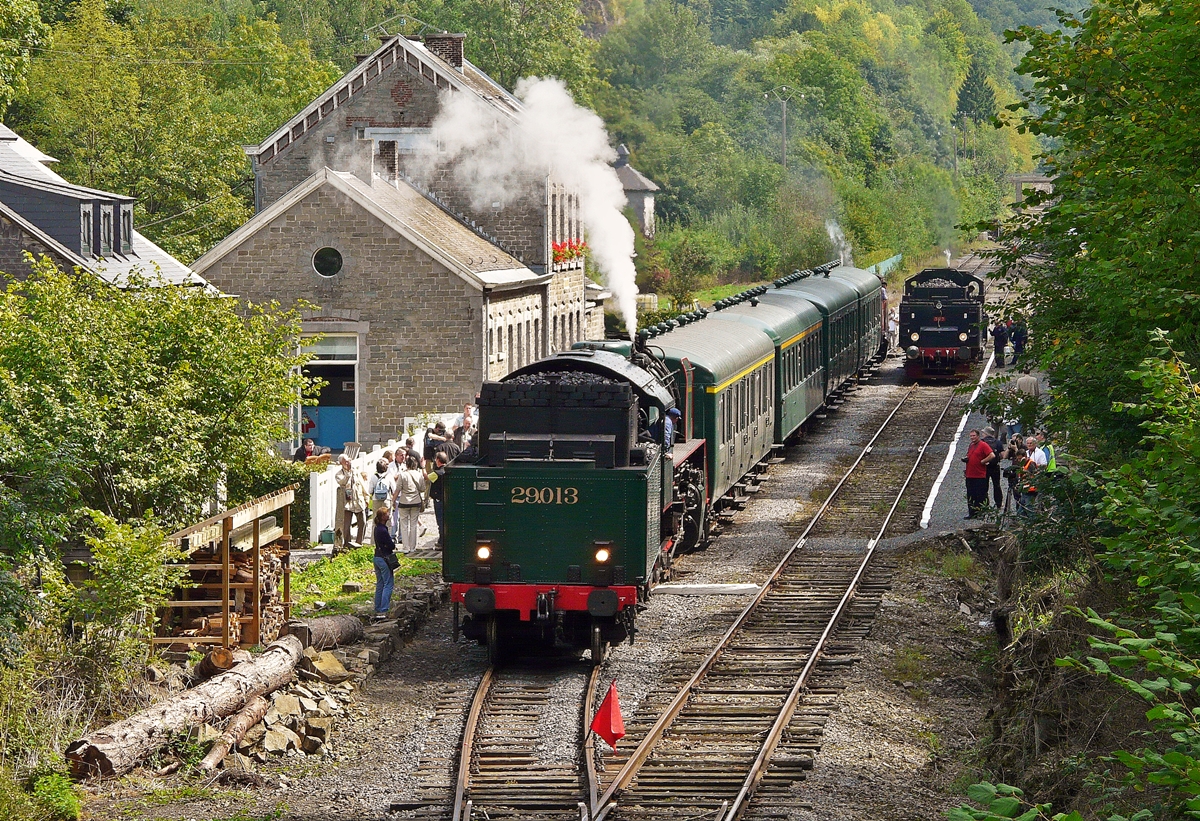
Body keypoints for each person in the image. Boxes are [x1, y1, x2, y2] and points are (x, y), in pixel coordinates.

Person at [393, 455, 427, 553]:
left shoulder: (403, 475)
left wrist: (393, 501)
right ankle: (413, 547)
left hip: (404, 501)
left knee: (404, 525)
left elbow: (398, 489)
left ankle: (405, 547)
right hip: (416, 501)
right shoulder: (419, 475)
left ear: (406, 464)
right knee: (413, 525)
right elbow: (423, 489)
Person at [335, 455, 368, 547]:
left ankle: (359, 543)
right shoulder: (339, 474)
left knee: (363, 522)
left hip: (358, 501)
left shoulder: (356, 472)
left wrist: (366, 498)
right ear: (341, 463)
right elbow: (343, 482)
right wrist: (348, 473)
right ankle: (347, 544)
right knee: (346, 525)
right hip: (347, 503)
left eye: (348, 461)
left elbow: (362, 485)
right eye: (345, 461)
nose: (347, 463)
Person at [963, 429, 995, 518]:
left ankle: (982, 513)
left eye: (974, 436)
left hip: (979, 475)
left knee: (980, 495)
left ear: (978, 436)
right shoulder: (971, 445)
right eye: (971, 436)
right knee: (971, 495)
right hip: (970, 474)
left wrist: (983, 461)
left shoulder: (983, 445)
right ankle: (972, 513)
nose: (972, 437)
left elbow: (992, 455)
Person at [372, 506, 397, 620]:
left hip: (377, 557)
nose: (389, 515)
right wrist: (392, 543)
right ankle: (384, 609)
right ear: (383, 517)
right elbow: (391, 545)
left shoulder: (377, 528)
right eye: (387, 514)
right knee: (388, 583)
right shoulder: (383, 530)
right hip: (384, 558)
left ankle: (377, 607)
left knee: (380, 584)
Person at [427, 452, 449, 548]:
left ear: (438, 460)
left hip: (438, 500)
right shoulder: (448, 471)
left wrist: (423, 467)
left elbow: (427, 477)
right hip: (447, 499)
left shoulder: (436, 473)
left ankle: (441, 541)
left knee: (440, 521)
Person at [981, 426, 1004, 509]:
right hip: (995, 466)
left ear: (985, 433)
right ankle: (998, 503)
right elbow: (1002, 455)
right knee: (997, 485)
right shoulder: (998, 442)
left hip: (984, 467)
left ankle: (985, 504)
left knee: (984, 486)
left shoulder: (982, 442)